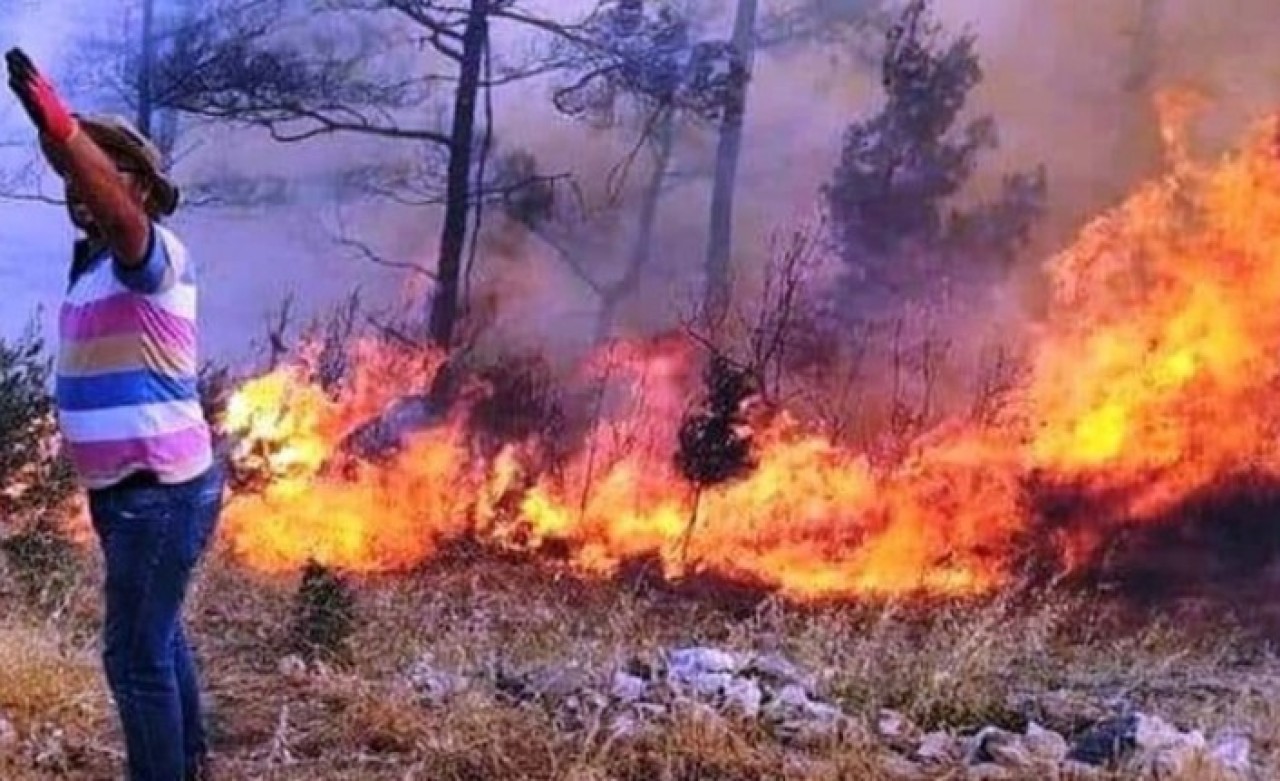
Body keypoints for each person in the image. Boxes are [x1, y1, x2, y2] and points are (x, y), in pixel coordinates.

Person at [5, 49, 222, 781]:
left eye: (96, 168)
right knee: (156, 638)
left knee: (132, 656)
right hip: (131, 494)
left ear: (136, 186)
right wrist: (58, 140)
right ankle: (188, 762)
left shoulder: (149, 248)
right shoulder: (97, 262)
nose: (79, 185)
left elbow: (120, 212)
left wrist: (68, 131)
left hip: (156, 492)